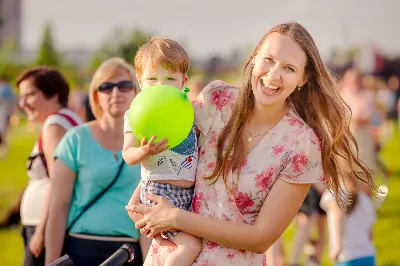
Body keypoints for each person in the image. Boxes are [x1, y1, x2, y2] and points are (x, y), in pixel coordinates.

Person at [127, 22, 375, 265]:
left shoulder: (302, 144)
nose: (273, 74)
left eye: (289, 68)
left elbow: (261, 238)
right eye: (268, 60)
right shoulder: (216, 101)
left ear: (303, 78)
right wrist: (141, 200)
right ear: (255, 57)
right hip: (170, 256)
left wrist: (176, 218)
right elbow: (173, 151)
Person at [45, 58, 149, 266]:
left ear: (137, 92)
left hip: (130, 250)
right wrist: (52, 261)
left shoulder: (149, 142)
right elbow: (58, 207)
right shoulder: (75, 139)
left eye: (124, 85)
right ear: (95, 95)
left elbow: (148, 209)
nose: (116, 93)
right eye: (106, 87)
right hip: (81, 249)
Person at [123, 37, 202, 266]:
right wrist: (144, 152)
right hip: (160, 192)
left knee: (191, 244)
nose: (161, 86)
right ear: (140, 81)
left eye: (169, 79)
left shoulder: (188, 111)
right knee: (190, 245)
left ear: (183, 81)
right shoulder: (137, 114)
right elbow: (127, 155)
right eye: (152, 79)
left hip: (189, 196)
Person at [16, 66, 83, 266]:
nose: (22, 103)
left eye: (30, 95)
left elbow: (57, 183)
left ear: (53, 94)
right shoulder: (69, 119)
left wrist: (42, 230)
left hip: (43, 226)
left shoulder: (55, 124)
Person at [320, 178, 376, 266]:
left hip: (347, 256)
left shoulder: (335, 194)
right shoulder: (366, 198)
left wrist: (337, 248)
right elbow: (370, 233)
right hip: (368, 254)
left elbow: (336, 218)